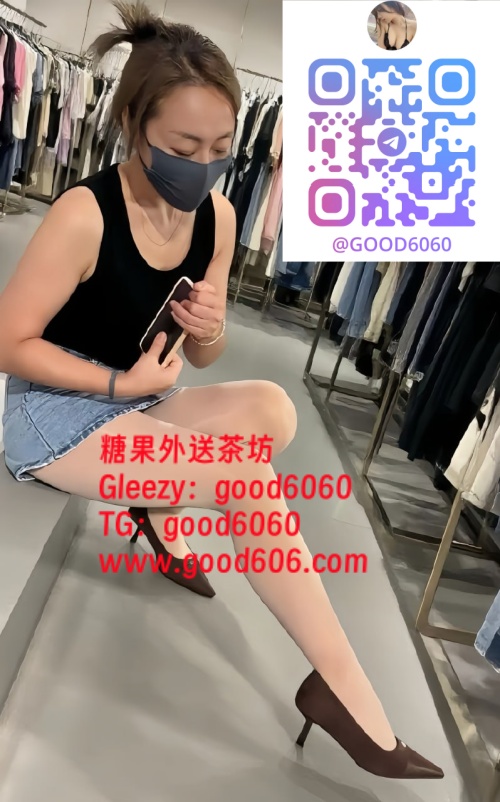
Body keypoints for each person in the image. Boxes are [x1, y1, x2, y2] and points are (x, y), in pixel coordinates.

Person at [0, 0, 442, 782]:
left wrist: (204, 327)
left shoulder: (218, 216)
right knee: (242, 472)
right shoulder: (84, 213)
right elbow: (10, 343)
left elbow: (203, 357)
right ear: (133, 125)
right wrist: (117, 379)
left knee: (271, 411)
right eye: (183, 147)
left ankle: (155, 508)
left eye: (220, 147)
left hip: (133, 400)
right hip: (54, 413)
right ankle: (343, 689)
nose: (202, 164)